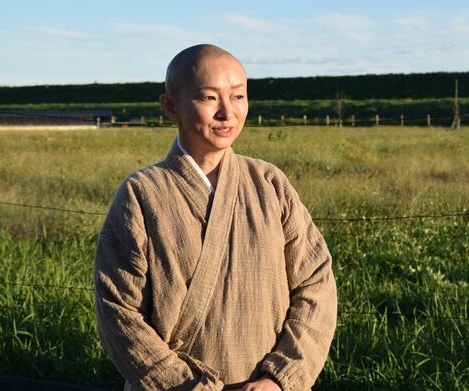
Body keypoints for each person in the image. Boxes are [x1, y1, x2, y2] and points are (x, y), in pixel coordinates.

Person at [94, 44, 337, 391]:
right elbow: (117, 309)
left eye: (238, 97)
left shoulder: (269, 183)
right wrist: (186, 385)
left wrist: (281, 377)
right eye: (209, 98)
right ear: (171, 107)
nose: (228, 113)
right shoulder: (141, 193)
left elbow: (316, 282)